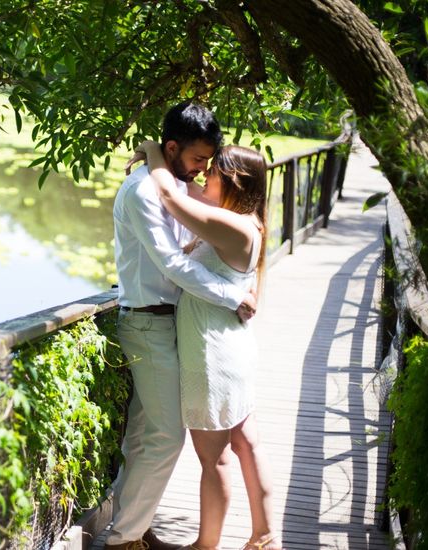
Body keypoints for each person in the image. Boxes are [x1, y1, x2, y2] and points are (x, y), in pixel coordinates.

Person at [105, 102, 257, 550]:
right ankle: (123, 538)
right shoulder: (141, 193)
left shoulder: (171, 182)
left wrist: (152, 152)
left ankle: (133, 527)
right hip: (147, 325)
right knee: (167, 438)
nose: (202, 170)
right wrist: (234, 295)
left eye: (207, 162)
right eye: (196, 160)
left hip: (168, 325)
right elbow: (171, 263)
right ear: (173, 148)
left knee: (144, 434)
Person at [132, 139, 281, 550]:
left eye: (211, 171)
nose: (202, 176)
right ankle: (264, 536)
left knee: (214, 458)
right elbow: (185, 190)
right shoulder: (240, 218)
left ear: (231, 181)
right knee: (247, 442)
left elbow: (168, 194)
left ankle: (206, 545)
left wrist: (152, 150)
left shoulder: (228, 225)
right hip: (230, 346)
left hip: (211, 355)